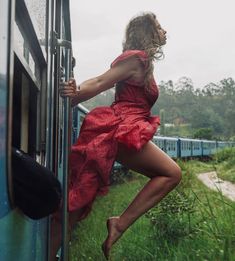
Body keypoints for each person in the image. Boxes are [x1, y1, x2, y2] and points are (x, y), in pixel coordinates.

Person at [58, 11, 182, 259]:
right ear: (146, 31)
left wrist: (76, 95)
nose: (164, 31)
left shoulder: (143, 62)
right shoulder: (136, 58)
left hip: (129, 127)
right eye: (159, 26)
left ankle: (57, 244)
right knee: (171, 173)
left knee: (76, 203)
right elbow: (102, 80)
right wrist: (76, 90)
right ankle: (118, 223)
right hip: (123, 129)